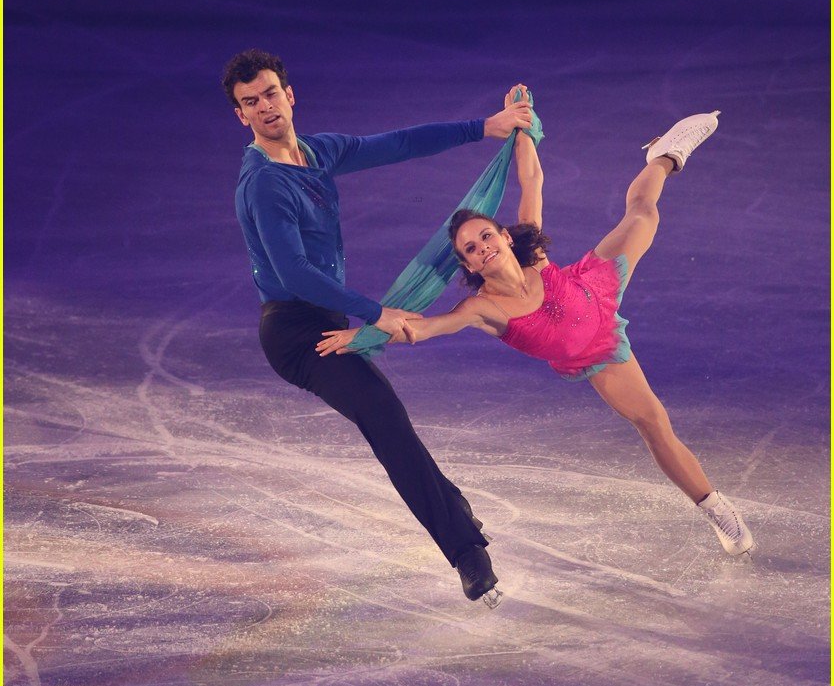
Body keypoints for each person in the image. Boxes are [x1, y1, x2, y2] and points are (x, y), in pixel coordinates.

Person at [317, 88, 755, 559]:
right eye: (470, 249)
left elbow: (532, 180)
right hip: (596, 352)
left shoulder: (532, 251)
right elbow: (421, 328)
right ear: (466, 265)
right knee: (653, 424)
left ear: (504, 236)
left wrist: (522, 127)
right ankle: (717, 510)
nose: (482, 246)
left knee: (643, 211)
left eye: (486, 235)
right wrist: (362, 334)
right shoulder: (482, 309)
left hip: (597, 283)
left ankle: (665, 154)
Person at [223, 49, 534, 607]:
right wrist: (377, 314)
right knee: (385, 422)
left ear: (289, 95)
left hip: (330, 316)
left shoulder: (315, 152)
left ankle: (456, 515)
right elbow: (296, 273)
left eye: (271, 93)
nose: (265, 107)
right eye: (251, 103)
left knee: (392, 422)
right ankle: (468, 554)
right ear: (241, 116)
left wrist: (484, 128)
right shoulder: (264, 186)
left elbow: (396, 144)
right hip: (297, 334)